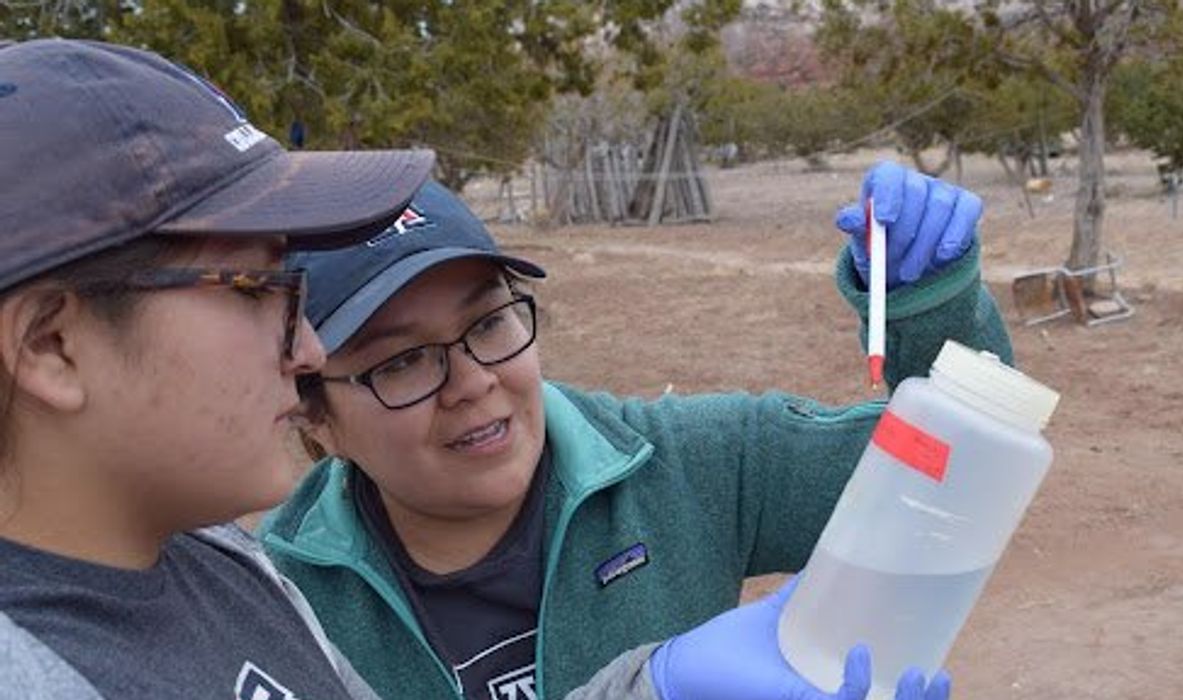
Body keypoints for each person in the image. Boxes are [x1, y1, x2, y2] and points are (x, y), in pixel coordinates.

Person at [0, 37, 940, 700]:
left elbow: (935, 465)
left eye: (489, 323)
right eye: (253, 288)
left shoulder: (224, 569)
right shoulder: (254, 574)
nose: (305, 353)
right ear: (51, 346)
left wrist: (654, 688)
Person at [264, 163, 1008, 699]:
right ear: (313, 414)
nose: (472, 382)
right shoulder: (272, 604)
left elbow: (952, 474)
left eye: (488, 323)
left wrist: (927, 306)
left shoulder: (689, 464)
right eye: (401, 362)